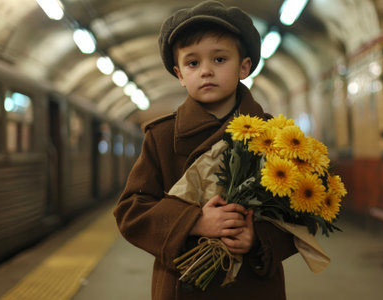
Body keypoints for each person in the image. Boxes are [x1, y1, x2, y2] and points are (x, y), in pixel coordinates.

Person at [114, 1, 297, 299]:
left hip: (254, 286)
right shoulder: (161, 137)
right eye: (193, 63)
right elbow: (130, 210)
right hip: (182, 287)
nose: (206, 71)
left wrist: (258, 240)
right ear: (180, 74)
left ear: (244, 66)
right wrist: (195, 221)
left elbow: (301, 215)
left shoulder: (276, 136)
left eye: (220, 59)